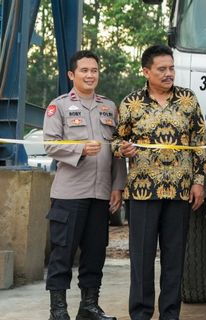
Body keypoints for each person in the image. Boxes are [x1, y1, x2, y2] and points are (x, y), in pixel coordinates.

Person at [112, 45, 206, 320]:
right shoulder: (131, 103)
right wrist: (123, 148)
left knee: (174, 259)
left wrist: (198, 181)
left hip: (180, 191)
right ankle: (141, 314)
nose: (169, 74)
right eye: (162, 69)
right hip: (143, 192)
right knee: (141, 260)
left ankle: (170, 314)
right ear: (146, 71)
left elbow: (200, 143)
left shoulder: (188, 100)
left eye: (171, 68)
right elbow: (115, 140)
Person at [43, 50, 126, 320]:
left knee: (94, 254)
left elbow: (117, 151)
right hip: (69, 195)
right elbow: (50, 144)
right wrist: (79, 149)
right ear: (72, 75)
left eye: (94, 70)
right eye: (84, 71)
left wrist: (118, 186)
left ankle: (89, 307)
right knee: (63, 254)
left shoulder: (109, 107)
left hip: (101, 194)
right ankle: (58, 310)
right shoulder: (59, 107)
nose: (90, 75)